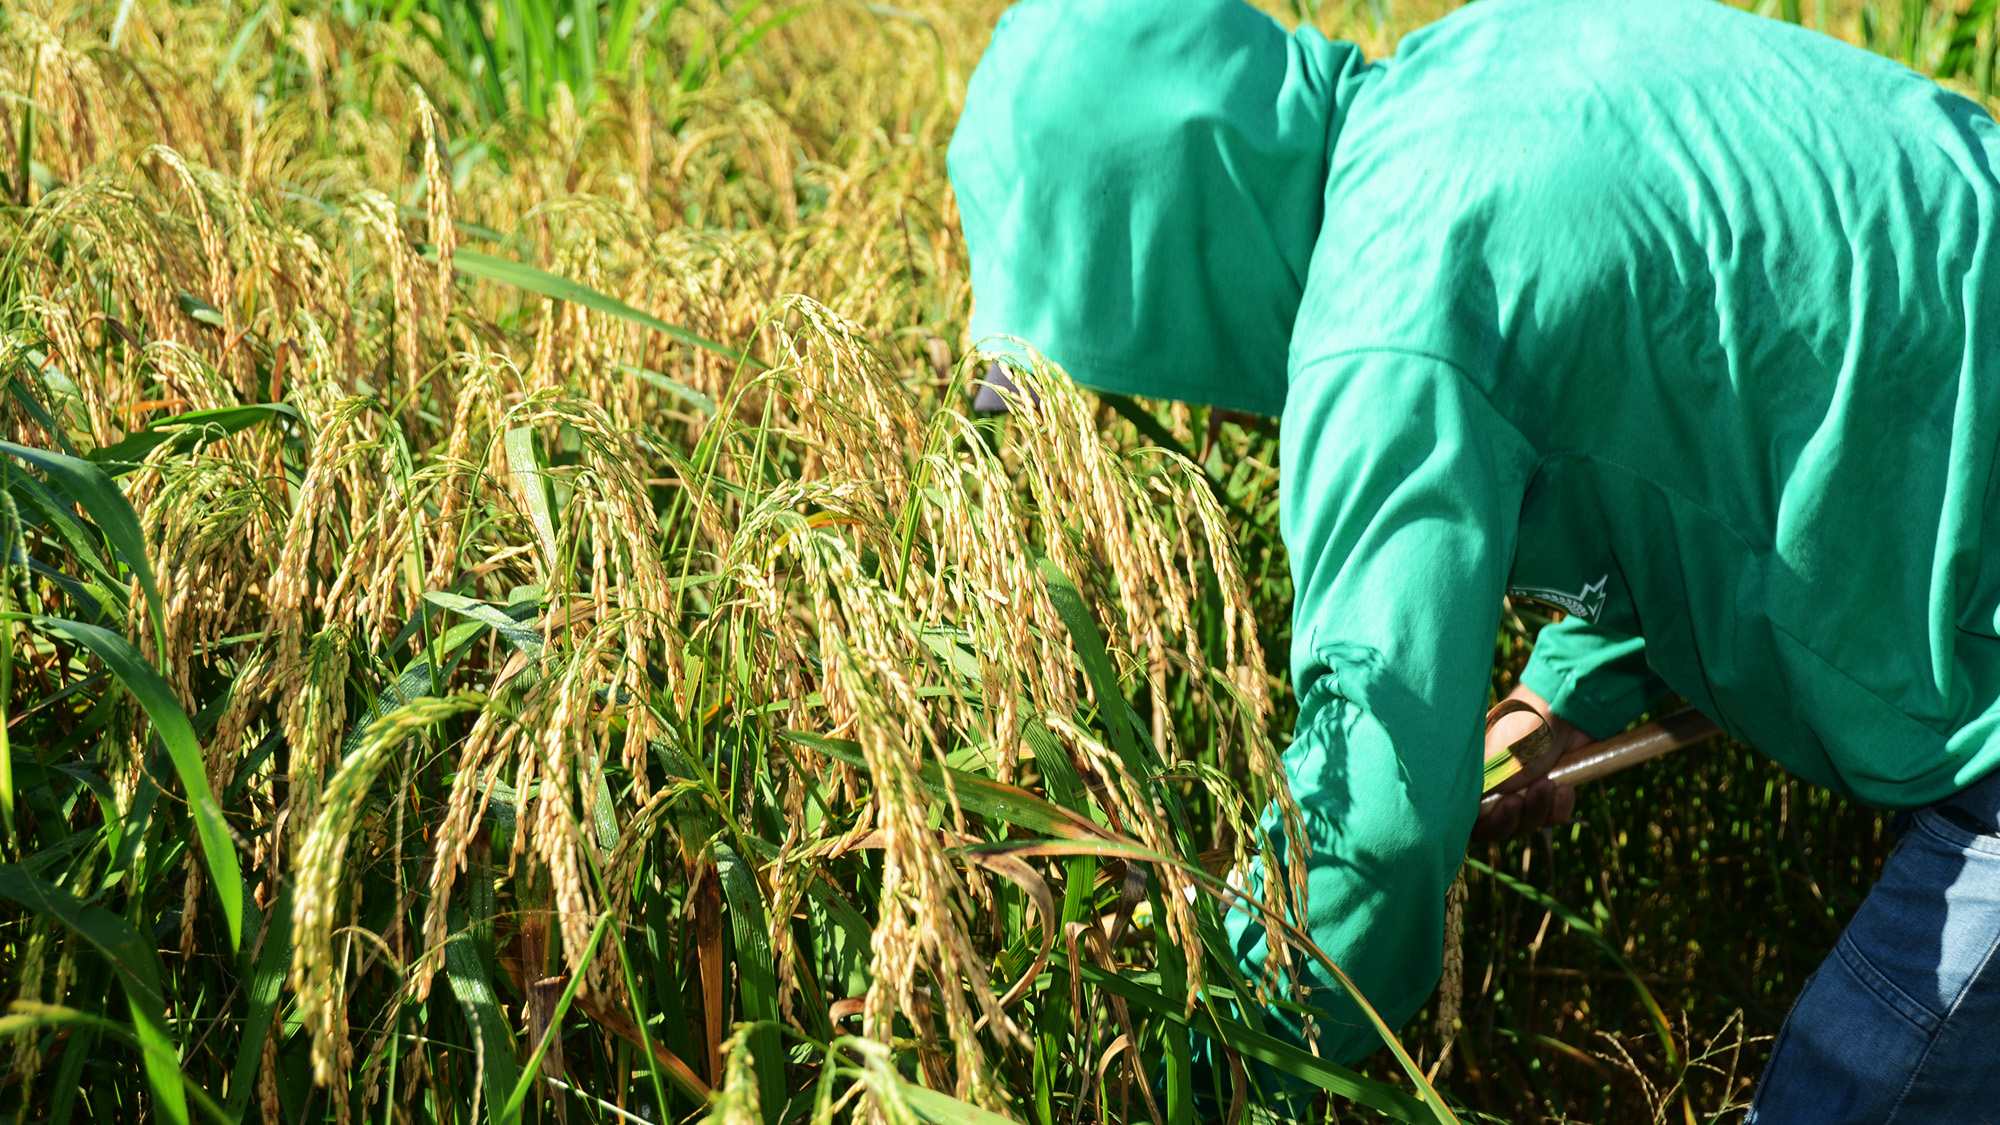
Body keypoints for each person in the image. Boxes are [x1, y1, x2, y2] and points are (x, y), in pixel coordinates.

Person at [946, 0, 2000, 1118]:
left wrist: (1192, 1056)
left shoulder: (1391, 312)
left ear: (1160, 254)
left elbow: (1379, 823)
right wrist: (1559, 700)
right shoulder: (1483, 63)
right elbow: (1692, 419)